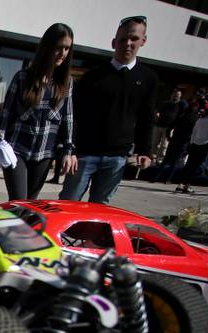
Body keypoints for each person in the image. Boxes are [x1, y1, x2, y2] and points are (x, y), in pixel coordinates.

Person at [59, 16, 157, 203]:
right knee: (68, 201)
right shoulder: (94, 76)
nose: (128, 44)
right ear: (114, 42)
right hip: (85, 154)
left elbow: (147, 117)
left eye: (134, 39)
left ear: (143, 41)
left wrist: (145, 150)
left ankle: (89, 234)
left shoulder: (147, 78)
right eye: (122, 40)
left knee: (100, 207)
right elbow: (74, 114)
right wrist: (69, 149)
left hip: (117, 157)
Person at [0, 23, 77, 200]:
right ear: (47, 47)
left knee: (31, 205)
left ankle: (23, 228)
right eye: (58, 48)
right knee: (18, 202)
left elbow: (67, 120)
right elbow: (6, 115)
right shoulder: (23, 77)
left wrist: (67, 151)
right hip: (17, 150)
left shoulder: (66, 83)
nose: (62, 53)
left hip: (44, 153)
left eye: (67, 48)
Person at [174, 105, 208, 194]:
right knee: (196, 165)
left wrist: (192, 142)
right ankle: (188, 185)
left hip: (195, 143)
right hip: (206, 143)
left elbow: (194, 132)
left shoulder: (200, 119)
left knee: (189, 164)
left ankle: (180, 184)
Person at [153, 90, 185, 162]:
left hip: (169, 128)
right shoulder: (165, 103)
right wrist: (156, 116)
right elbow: (157, 111)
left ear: (180, 96)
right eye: (175, 94)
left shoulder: (180, 105)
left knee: (164, 145)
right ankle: (151, 157)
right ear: (171, 95)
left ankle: (159, 159)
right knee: (154, 142)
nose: (176, 96)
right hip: (159, 125)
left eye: (178, 95)